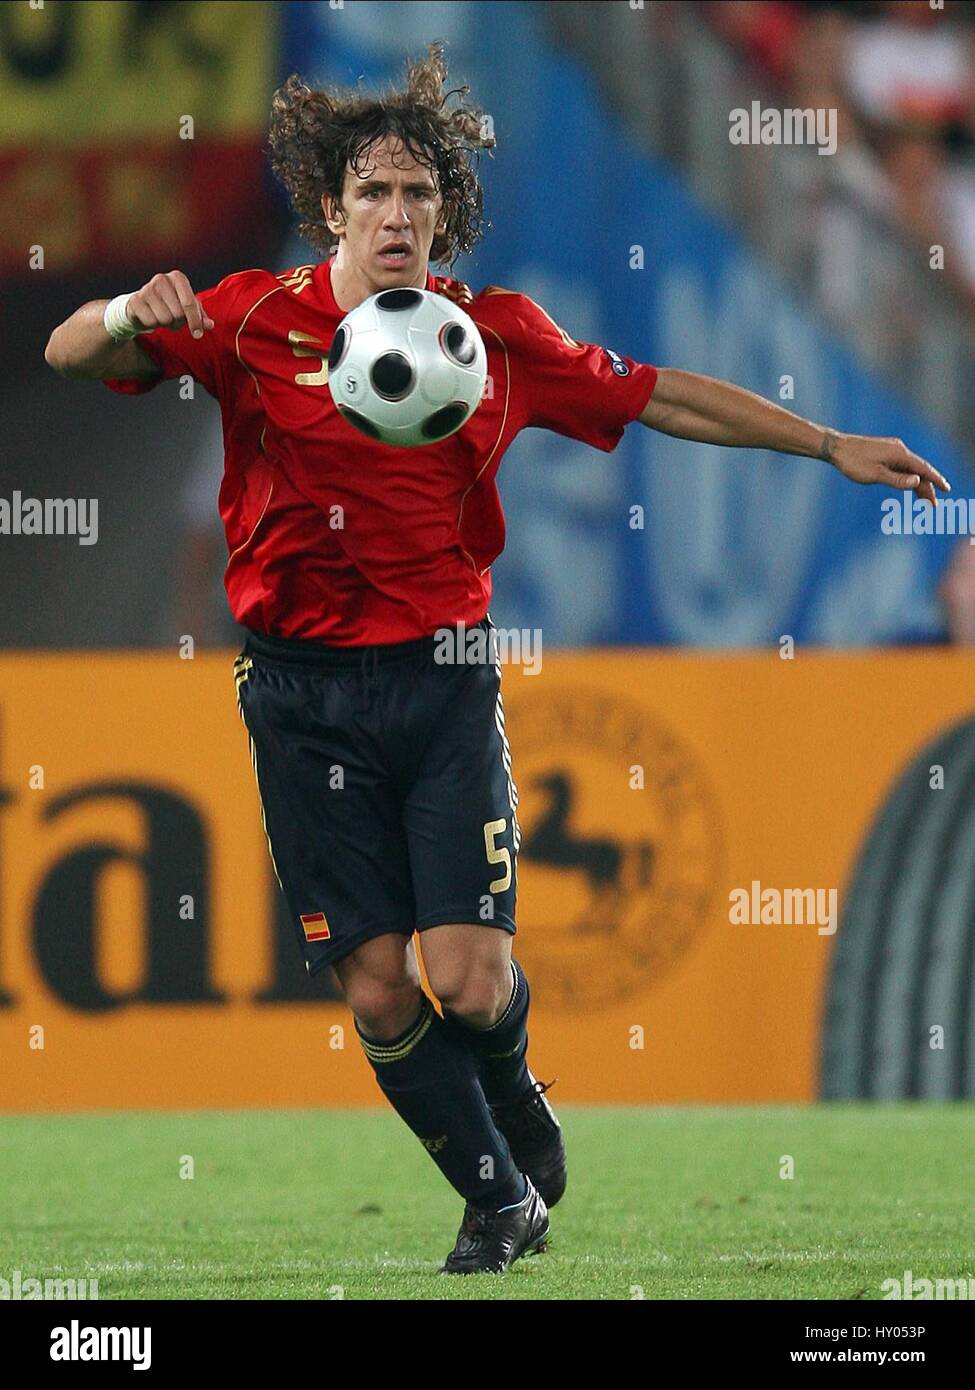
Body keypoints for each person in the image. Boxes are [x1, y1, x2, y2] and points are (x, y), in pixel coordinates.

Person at [44, 41, 949, 1275]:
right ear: (332, 208)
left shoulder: (493, 339)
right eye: (374, 192)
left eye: (420, 192)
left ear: (446, 213)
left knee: (467, 984)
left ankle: (515, 1097)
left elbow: (663, 397)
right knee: (375, 991)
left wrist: (830, 440)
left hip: (442, 681)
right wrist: (116, 313)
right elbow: (72, 356)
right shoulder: (255, 317)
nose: (398, 214)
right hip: (299, 696)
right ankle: (500, 1198)